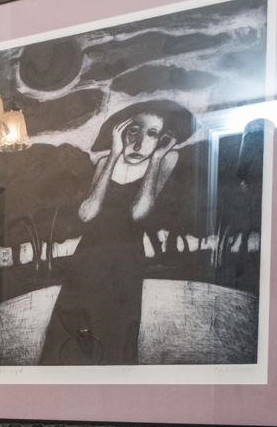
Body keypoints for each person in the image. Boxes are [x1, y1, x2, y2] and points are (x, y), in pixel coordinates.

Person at [39, 99, 193, 365]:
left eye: (151, 134)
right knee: (69, 333)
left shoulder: (166, 160)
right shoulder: (105, 162)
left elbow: (138, 215)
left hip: (126, 260)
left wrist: (156, 159)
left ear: (162, 139)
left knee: (116, 334)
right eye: (133, 131)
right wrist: (112, 155)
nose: (139, 143)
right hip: (87, 257)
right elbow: (86, 214)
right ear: (121, 132)